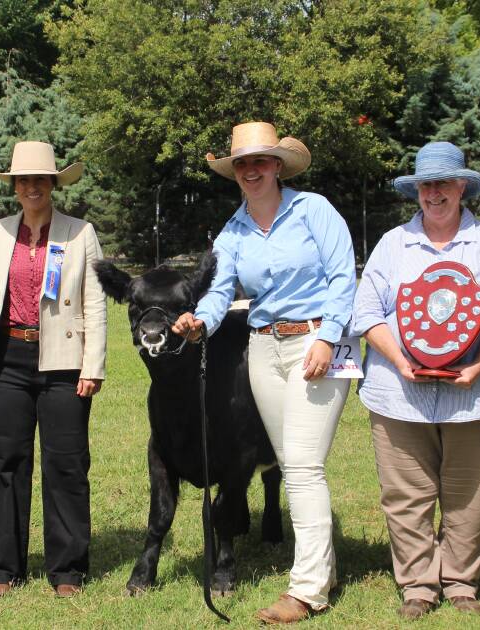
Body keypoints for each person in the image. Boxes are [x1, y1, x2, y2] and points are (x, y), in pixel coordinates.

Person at [172, 122, 355, 624]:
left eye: (260, 161)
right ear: (235, 173)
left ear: (278, 165)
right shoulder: (231, 231)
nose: (251, 171)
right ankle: (326, 568)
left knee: (300, 465)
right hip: (262, 350)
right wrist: (200, 322)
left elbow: (344, 276)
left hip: (318, 345)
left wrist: (328, 335)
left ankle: (308, 590)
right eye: (242, 164)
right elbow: (219, 291)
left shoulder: (314, 210)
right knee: (290, 461)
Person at [352, 141, 480, 619]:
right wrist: (399, 359)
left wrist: (478, 364)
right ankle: (418, 586)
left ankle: (461, 582)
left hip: (476, 392)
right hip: (398, 392)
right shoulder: (393, 244)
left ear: (463, 186)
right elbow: (366, 310)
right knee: (405, 494)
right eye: (426, 184)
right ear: (417, 191)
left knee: (470, 493)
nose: (435, 193)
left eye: (444, 183)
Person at [0, 141, 107, 598]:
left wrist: (94, 365)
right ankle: (3, 568)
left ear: (53, 184)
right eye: (23, 180)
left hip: (65, 363)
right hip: (7, 358)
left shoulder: (80, 233)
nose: (32, 187)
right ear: (13, 186)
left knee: (66, 464)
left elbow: (96, 303)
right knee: (4, 462)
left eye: (40, 179)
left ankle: (67, 571)